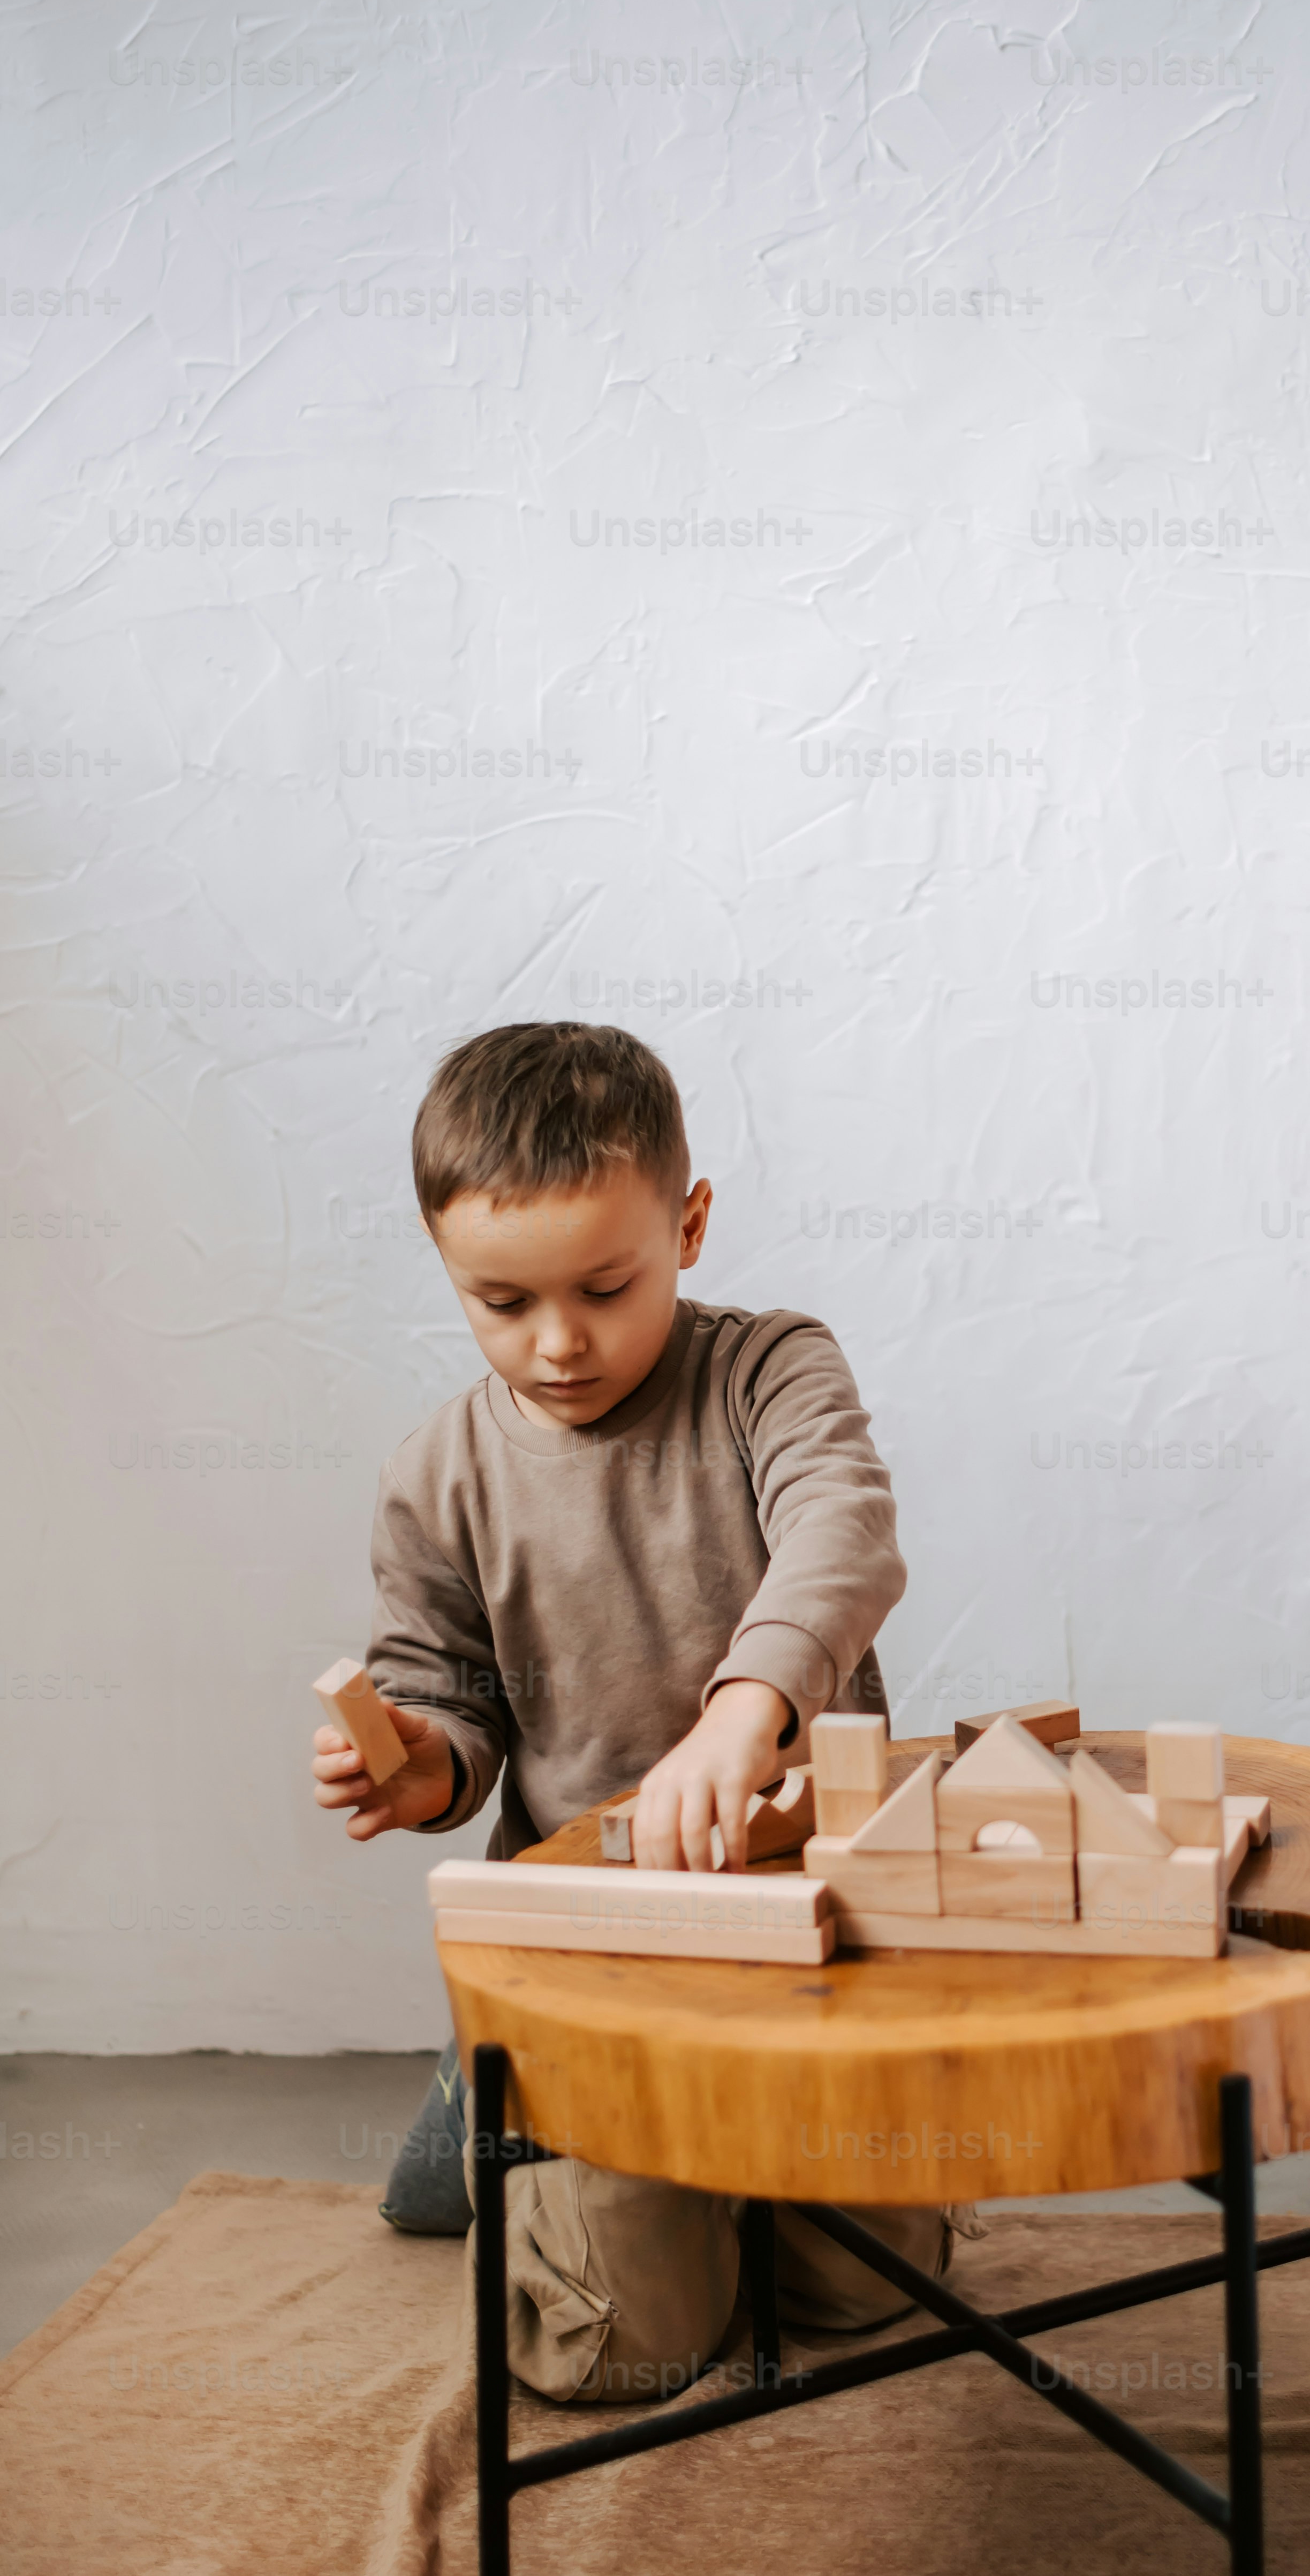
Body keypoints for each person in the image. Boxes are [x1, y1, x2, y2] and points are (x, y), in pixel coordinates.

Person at [310, 1019, 948, 2399]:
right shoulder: (438, 1472)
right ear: (443, 1265)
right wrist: (421, 1767)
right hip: (604, 1949)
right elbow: (445, 1695)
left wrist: (743, 1716)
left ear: (692, 1224)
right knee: (626, 2349)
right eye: (502, 1303)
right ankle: (502, 2115)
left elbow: (846, 1530)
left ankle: (697, 2151)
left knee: (866, 2294)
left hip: (810, 1917)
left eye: (606, 1286)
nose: (556, 1344)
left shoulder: (770, 1369)